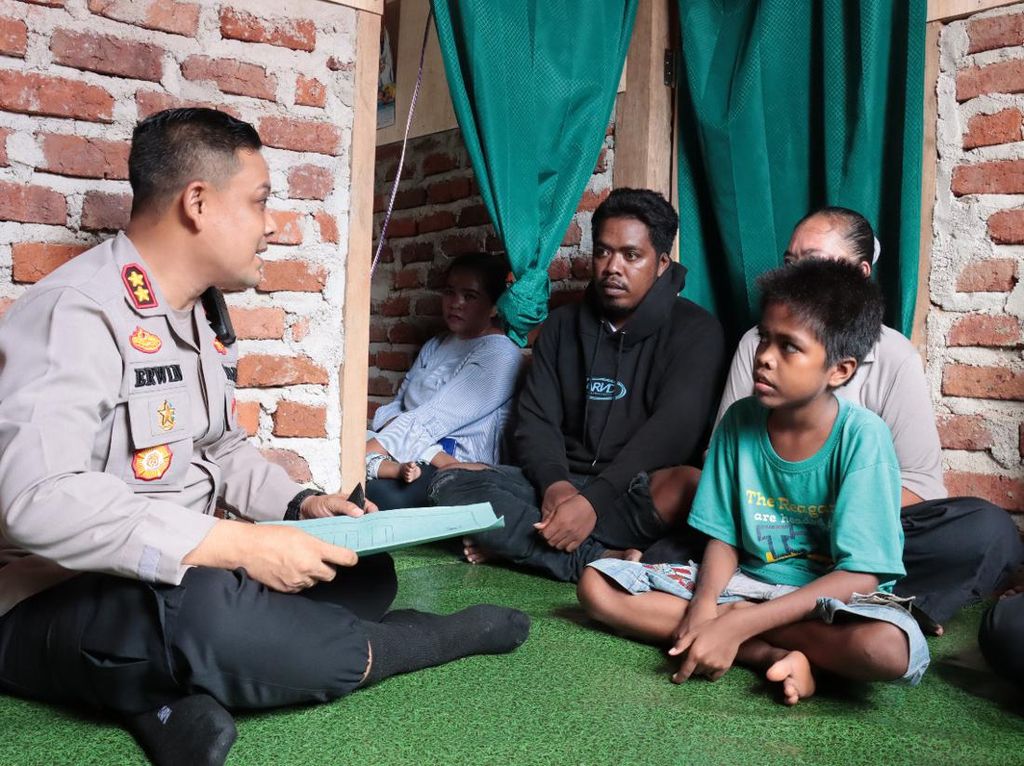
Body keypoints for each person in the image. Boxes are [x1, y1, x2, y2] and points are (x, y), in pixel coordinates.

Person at [0, 108, 529, 766]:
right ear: (198, 202)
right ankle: (414, 641)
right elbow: (36, 500)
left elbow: (219, 448)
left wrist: (300, 507)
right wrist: (238, 545)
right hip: (63, 590)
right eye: (259, 201)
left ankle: (158, 696)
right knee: (214, 622)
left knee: (362, 573)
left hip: (187, 570)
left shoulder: (200, 315)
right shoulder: (76, 312)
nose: (273, 224)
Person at [647, 206, 1023, 630]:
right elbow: (725, 460)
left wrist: (831, 509)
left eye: (814, 262)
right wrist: (783, 508)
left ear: (860, 274)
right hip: (770, 520)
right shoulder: (756, 344)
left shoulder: (894, 355)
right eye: (791, 263)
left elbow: (922, 486)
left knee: (988, 532)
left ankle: (847, 601)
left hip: (856, 528)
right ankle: (802, 604)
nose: (798, 274)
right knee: (684, 522)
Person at [579, 258, 930, 705]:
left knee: (884, 649)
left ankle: (744, 635)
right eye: (765, 336)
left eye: (789, 347)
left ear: (839, 370)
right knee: (597, 587)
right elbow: (724, 537)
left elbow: (859, 574)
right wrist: (707, 607)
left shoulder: (863, 437)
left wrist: (739, 622)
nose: (764, 356)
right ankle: (771, 655)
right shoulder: (738, 422)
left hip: (828, 601)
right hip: (742, 584)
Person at [428, 188, 727, 582]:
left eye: (631, 255)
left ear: (662, 263)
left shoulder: (697, 330)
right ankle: (600, 559)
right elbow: (535, 422)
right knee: (447, 484)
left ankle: (513, 543)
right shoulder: (561, 327)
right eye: (603, 252)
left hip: (632, 494)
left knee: (690, 487)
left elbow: (672, 434)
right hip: (555, 489)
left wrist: (592, 504)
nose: (612, 267)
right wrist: (555, 487)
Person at [365, 252, 522, 510]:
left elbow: (431, 418)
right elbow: (394, 409)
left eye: (469, 296)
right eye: (449, 292)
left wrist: (371, 449)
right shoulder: (437, 344)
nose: (455, 303)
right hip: (414, 452)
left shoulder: (500, 354)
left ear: (495, 305)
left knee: (375, 491)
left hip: (456, 467)